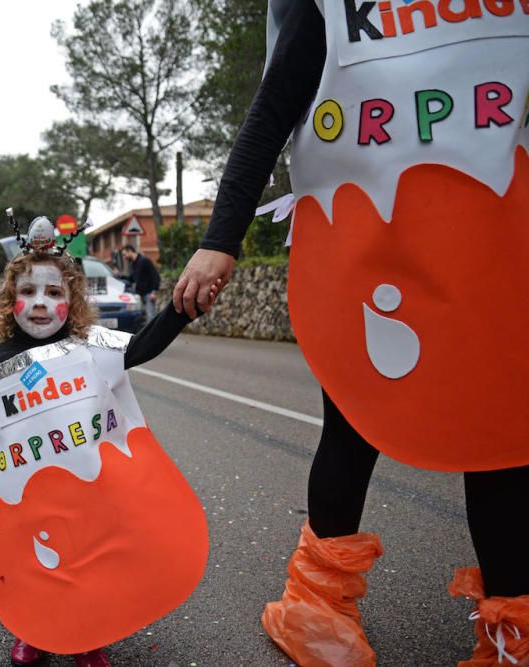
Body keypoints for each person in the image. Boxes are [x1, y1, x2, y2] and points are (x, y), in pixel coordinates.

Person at [171, 4, 529, 665]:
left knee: (501, 436)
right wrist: (220, 239)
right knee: (354, 425)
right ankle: (315, 612)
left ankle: (514, 625)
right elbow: (269, 114)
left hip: (494, 248)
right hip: (369, 245)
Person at [0, 217, 220, 667]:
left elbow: (144, 345)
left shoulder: (90, 347)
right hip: (24, 497)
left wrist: (180, 310)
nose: (39, 303)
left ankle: (88, 637)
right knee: (31, 565)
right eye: (28, 293)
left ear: (70, 302)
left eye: (53, 293)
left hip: (86, 488)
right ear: (10, 301)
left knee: (86, 560)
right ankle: (33, 632)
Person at [121, 244, 159, 323]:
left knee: (151, 318)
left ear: (130, 251)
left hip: (149, 294)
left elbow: (155, 276)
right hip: (140, 295)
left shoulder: (144, 260)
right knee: (143, 320)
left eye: (125, 255)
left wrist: (154, 292)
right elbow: (131, 279)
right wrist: (119, 276)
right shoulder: (133, 264)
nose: (124, 257)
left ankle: (155, 335)